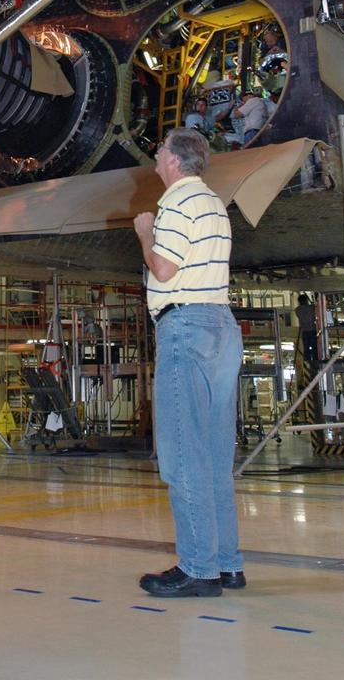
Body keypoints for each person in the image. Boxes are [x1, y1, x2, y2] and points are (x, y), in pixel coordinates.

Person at [133, 127, 244, 598]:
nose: (155, 155)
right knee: (215, 456)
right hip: (220, 326)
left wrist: (144, 232)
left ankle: (198, 568)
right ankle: (226, 564)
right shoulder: (215, 203)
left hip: (186, 329)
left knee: (183, 456)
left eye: (159, 150)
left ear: (175, 162)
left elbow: (164, 269)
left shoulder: (176, 203)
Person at [295, 293, 318, 369]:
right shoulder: (311, 308)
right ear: (306, 300)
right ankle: (315, 360)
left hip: (304, 331)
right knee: (314, 347)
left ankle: (307, 360)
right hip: (312, 329)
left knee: (306, 347)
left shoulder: (297, 310)